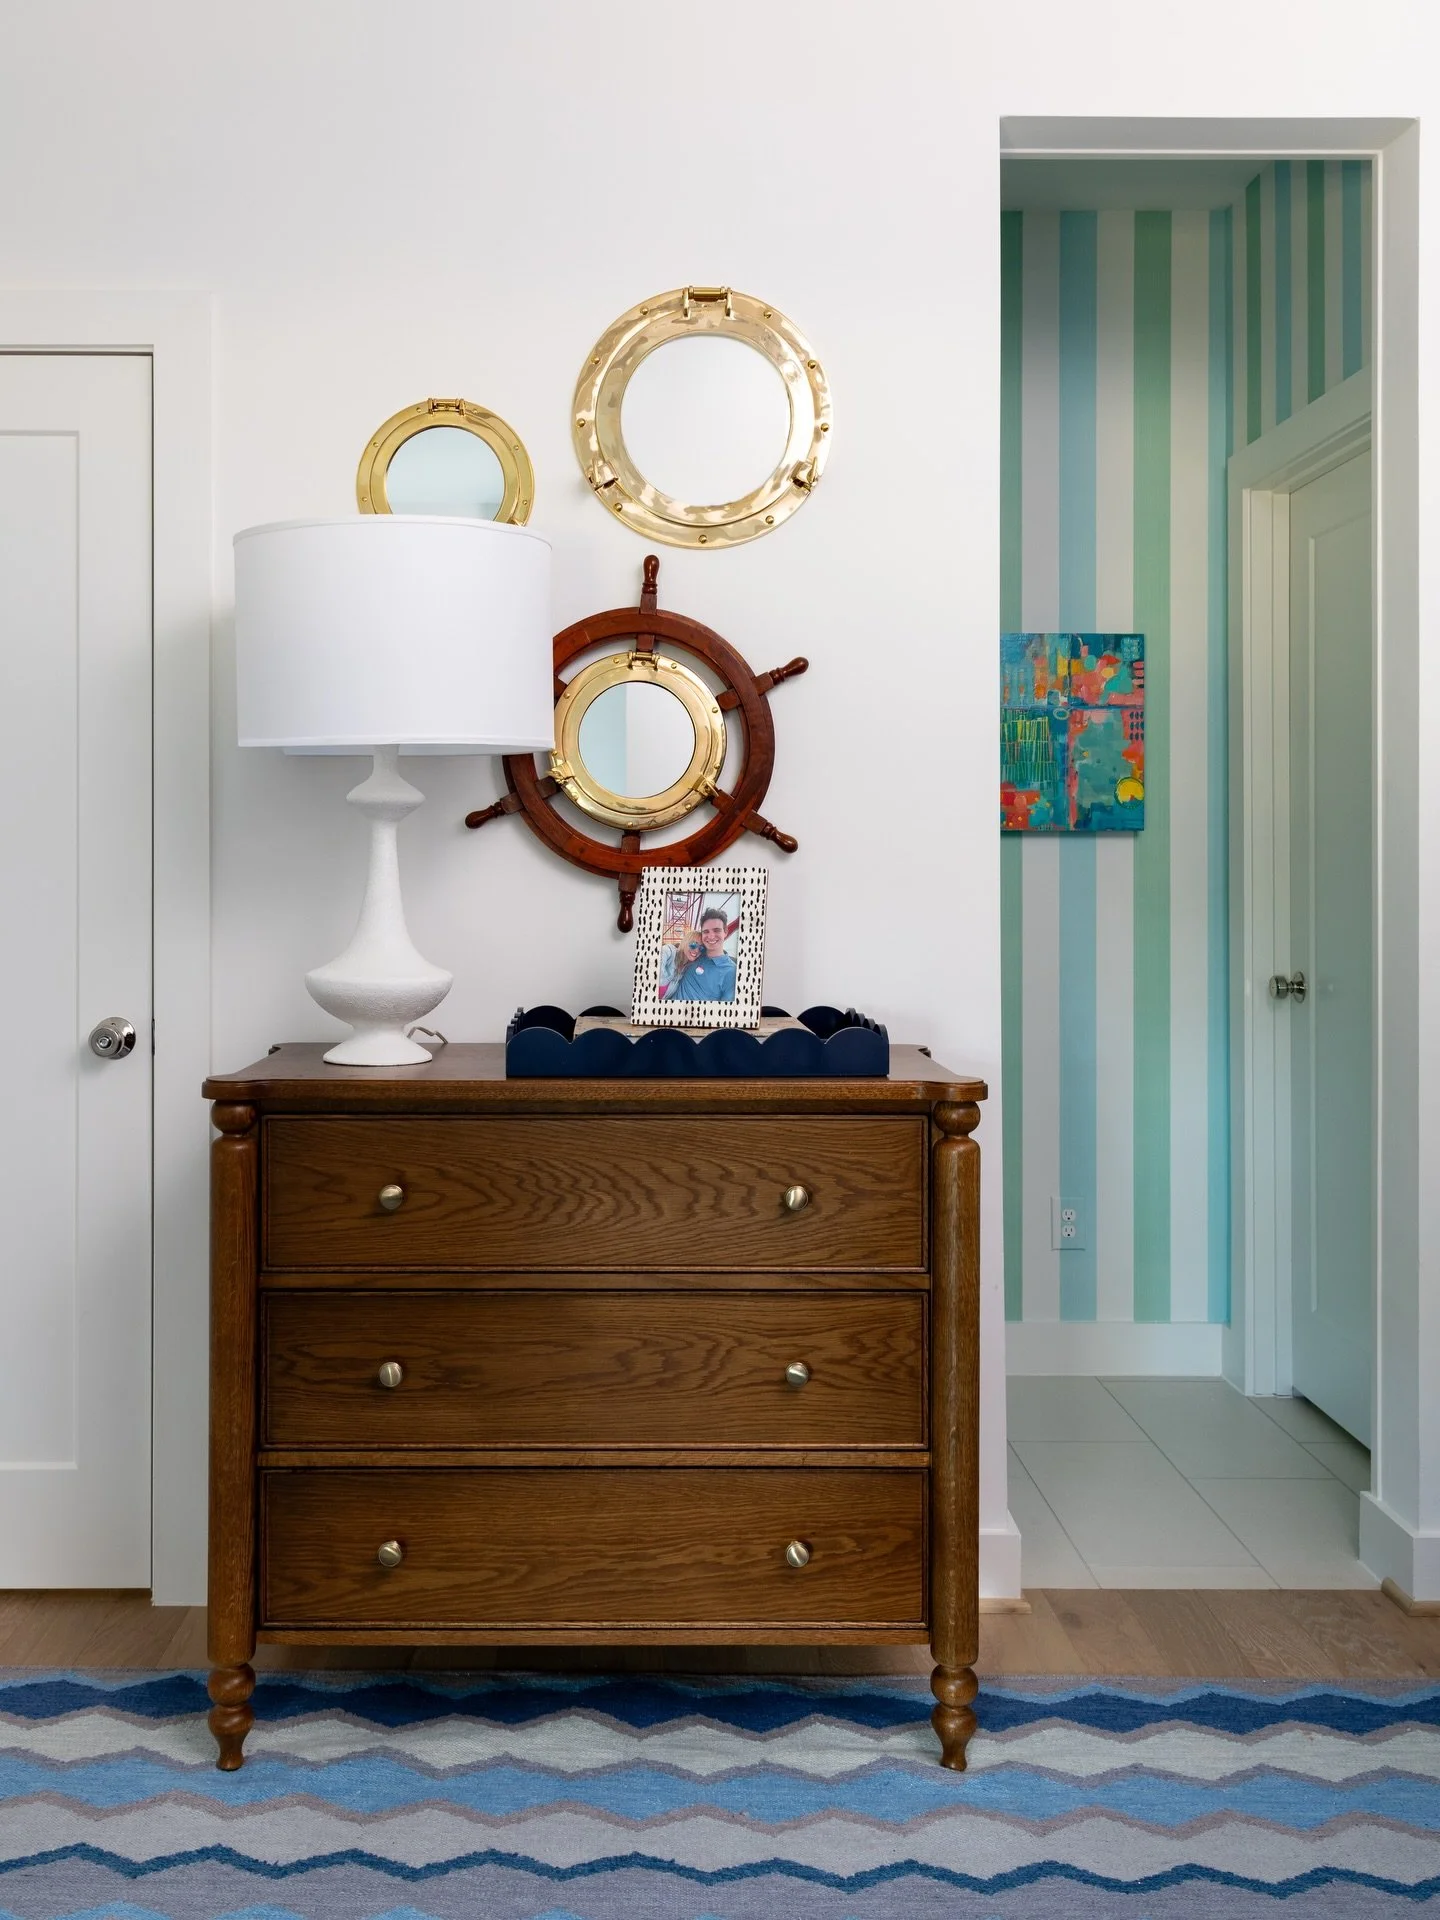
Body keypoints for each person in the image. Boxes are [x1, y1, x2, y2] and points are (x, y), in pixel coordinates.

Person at [664, 903, 736, 1003]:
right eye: (706, 932)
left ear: (726, 932)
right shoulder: (696, 954)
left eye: (717, 930)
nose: (711, 936)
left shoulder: (732, 972)